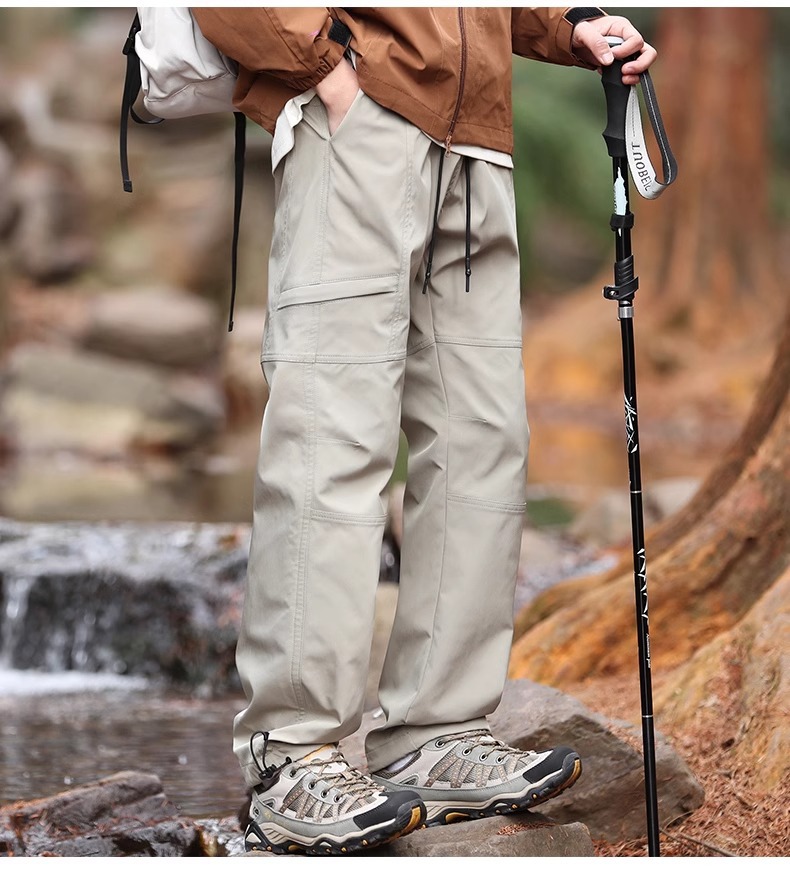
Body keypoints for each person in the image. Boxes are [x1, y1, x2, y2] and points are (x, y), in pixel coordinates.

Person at [193, 7, 657, 856]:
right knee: (333, 442)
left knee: (484, 445)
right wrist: (324, 71)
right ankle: (291, 756)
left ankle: (436, 732)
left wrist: (570, 26)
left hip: (479, 143)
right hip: (361, 117)